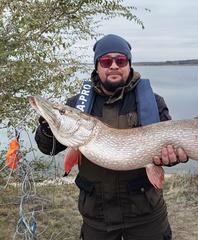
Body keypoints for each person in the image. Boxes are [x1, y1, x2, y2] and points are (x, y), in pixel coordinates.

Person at [35, 34, 188, 240]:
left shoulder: (153, 101)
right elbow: (49, 148)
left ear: (129, 65)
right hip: (96, 216)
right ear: (97, 67)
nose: (114, 66)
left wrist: (172, 159)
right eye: (106, 61)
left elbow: (167, 151)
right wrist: (47, 128)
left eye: (121, 60)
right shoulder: (76, 104)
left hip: (146, 214)